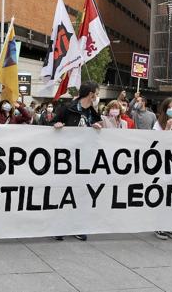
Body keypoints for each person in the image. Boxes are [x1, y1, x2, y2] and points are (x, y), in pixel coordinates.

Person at [50, 81, 102, 241]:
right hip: (66, 159)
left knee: (80, 194)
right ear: (90, 93)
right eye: (96, 92)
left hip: (84, 160)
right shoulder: (68, 108)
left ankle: (77, 226)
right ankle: (59, 227)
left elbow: (99, 127)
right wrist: (56, 125)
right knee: (64, 193)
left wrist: (97, 126)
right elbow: (50, 124)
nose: (97, 95)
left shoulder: (92, 112)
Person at [152, 97, 172, 241]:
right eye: (170, 107)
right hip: (162, 163)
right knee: (162, 194)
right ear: (165, 109)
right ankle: (159, 225)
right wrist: (167, 129)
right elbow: (156, 142)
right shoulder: (158, 124)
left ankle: (171, 224)